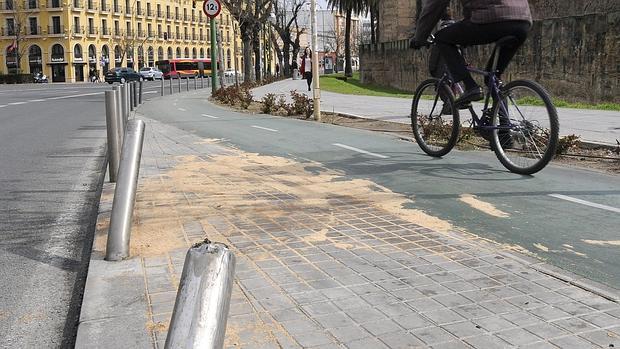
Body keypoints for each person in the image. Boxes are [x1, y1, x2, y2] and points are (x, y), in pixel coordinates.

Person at [410, 0, 532, 106]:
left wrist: (419, 37)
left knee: (442, 38)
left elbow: (434, 6)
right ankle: (504, 127)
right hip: (522, 22)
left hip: (491, 19)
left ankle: (470, 86)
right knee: (492, 76)